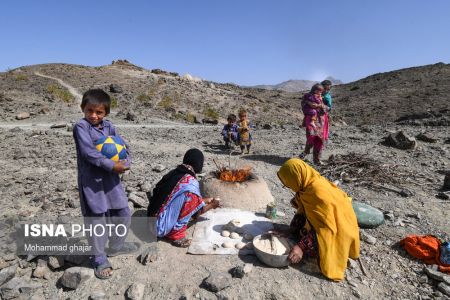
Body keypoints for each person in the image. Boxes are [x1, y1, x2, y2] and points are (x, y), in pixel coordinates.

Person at [73, 89, 138, 280]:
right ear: (83, 109)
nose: (93, 115)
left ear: (106, 113)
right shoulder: (81, 127)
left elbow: (123, 146)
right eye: (89, 110)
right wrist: (111, 165)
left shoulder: (109, 127)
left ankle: (116, 246)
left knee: (123, 213)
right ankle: (99, 257)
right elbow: (88, 152)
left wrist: (126, 163)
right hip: (92, 182)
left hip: (111, 181)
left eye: (98, 112)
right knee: (97, 218)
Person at [276, 158, 360, 281]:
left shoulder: (317, 193)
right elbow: (303, 212)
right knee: (301, 234)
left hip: (340, 228)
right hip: (327, 222)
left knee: (315, 250)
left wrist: (301, 247)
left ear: (297, 177)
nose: (287, 186)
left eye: (287, 182)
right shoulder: (306, 186)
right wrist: (291, 231)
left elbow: (325, 228)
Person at [147, 149, 220, 247]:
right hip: (158, 228)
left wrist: (205, 200)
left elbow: (173, 198)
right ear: (198, 164)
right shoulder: (190, 183)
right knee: (190, 196)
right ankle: (176, 235)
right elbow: (195, 214)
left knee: (189, 197)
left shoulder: (175, 173)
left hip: (149, 221)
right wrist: (212, 205)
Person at [299, 84, 329, 165]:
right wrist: (309, 103)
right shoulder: (307, 97)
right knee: (311, 137)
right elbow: (303, 106)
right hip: (311, 120)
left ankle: (317, 160)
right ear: (314, 89)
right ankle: (305, 152)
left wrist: (319, 105)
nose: (320, 92)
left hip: (321, 120)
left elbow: (328, 108)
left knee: (319, 139)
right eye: (318, 90)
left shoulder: (324, 97)